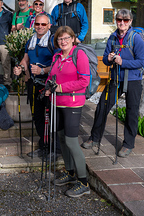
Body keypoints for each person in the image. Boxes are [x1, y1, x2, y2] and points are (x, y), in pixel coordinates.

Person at [82, 9, 144, 157]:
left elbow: (142, 62)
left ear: (130, 22)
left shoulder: (135, 39)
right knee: (102, 107)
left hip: (133, 80)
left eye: (125, 20)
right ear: (116, 21)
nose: (121, 23)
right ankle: (95, 138)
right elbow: (105, 58)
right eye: (119, 20)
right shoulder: (112, 37)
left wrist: (122, 62)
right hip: (116, 79)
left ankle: (128, 144)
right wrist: (109, 58)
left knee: (132, 112)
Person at [45, 26, 90, 198]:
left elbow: (84, 81)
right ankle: (70, 173)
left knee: (71, 142)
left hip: (72, 104)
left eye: (66, 38)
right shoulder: (57, 56)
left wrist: (61, 87)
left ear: (72, 39)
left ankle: (84, 182)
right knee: (62, 139)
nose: (62, 42)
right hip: (57, 103)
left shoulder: (79, 55)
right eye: (59, 39)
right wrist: (48, 88)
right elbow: (51, 77)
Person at [13, 13, 57, 158]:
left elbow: (59, 64)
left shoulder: (53, 41)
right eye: (37, 24)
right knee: (37, 116)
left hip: (49, 85)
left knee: (50, 117)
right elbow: (25, 59)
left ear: (49, 25)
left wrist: (43, 70)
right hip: (34, 84)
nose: (39, 27)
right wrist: (20, 67)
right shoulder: (31, 40)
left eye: (43, 24)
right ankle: (43, 146)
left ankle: (54, 148)